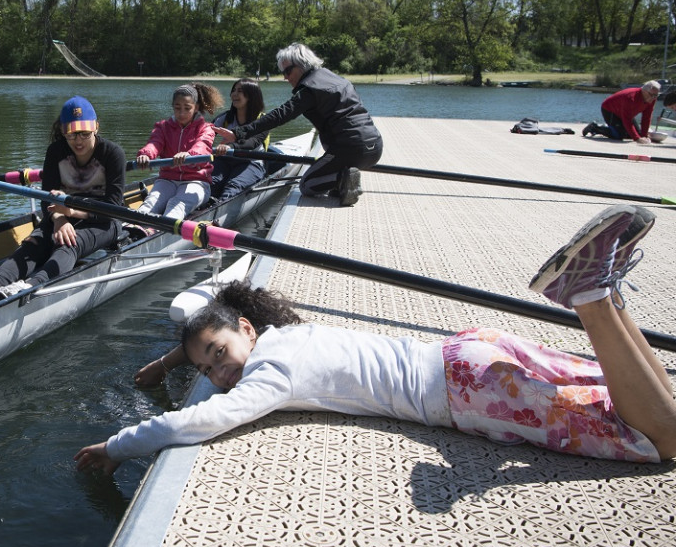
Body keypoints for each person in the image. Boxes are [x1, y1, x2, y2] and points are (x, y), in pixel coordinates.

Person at [77, 204, 676, 474]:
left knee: (660, 438)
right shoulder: (286, 334)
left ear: (247, 333)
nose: (219, 373)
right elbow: (213, 335)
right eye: (207, 368)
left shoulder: (270, 375)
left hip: (471, 393)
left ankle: (590, 295)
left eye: (219, 356)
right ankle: (606, 287)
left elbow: (196, 424)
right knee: (642, 397)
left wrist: (116, 447)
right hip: (468, 351)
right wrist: (168, 361)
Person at [0, 96, 127, 300]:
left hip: (104, 220)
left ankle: (31, 286)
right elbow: (47, 197)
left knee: (69, 243)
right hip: (60, 212)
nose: (78, 140)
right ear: (63, 132)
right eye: (71, 134)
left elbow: (112, 207)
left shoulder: (113, 153)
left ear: (96, 128)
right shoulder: (55, 151)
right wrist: (60, 219)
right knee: (35, 242)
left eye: (84, 133)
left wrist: (71, 212)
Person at [214, 43, 383, 206]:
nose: (285, 77)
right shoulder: (337, 79)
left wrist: (238, 133)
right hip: (374, 146)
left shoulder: (311, 88)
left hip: (349, 148)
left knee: (307, 185)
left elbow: (279, 115)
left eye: (288, 71)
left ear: (302, 65)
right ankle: (343, 183)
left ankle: (342, 179)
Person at [135, 83, 221, 220]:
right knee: (150, 203)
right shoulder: (162, 127)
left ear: (196, 107)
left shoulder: (206, 128)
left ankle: (161, 233)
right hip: (167, 179)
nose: (181, 113)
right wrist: (146, 154)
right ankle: (133, 229)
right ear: (172, 107)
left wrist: (189, 154)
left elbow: (202, 145)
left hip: (196, 181)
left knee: (176, 204)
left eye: (187, 108)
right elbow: (154, 143)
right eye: (177, 108)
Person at [210, 79, 269, 202]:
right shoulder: (225, 118)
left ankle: (217, 214)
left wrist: (231, 146)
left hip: (251, 162)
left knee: (233, 186)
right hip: (225, 160)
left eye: (240, 91)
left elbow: (252, 142)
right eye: (234, 90)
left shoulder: (263, 120)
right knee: (210, 183)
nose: (234, 94)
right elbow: (205, 135)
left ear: (252, 96)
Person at [583, 81, 661, 143]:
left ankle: (612, 128)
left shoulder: (652, 99)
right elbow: (626, 120)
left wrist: (644, 136)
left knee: (636, 134)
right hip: (610, 110)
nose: (653, 98)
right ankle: (595, 127)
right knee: (619, 135)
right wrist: (637, 139)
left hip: (626, 113)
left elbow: (646, 117)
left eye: (656, 95)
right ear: (644, 91)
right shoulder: (631, 98)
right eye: (651, 94)